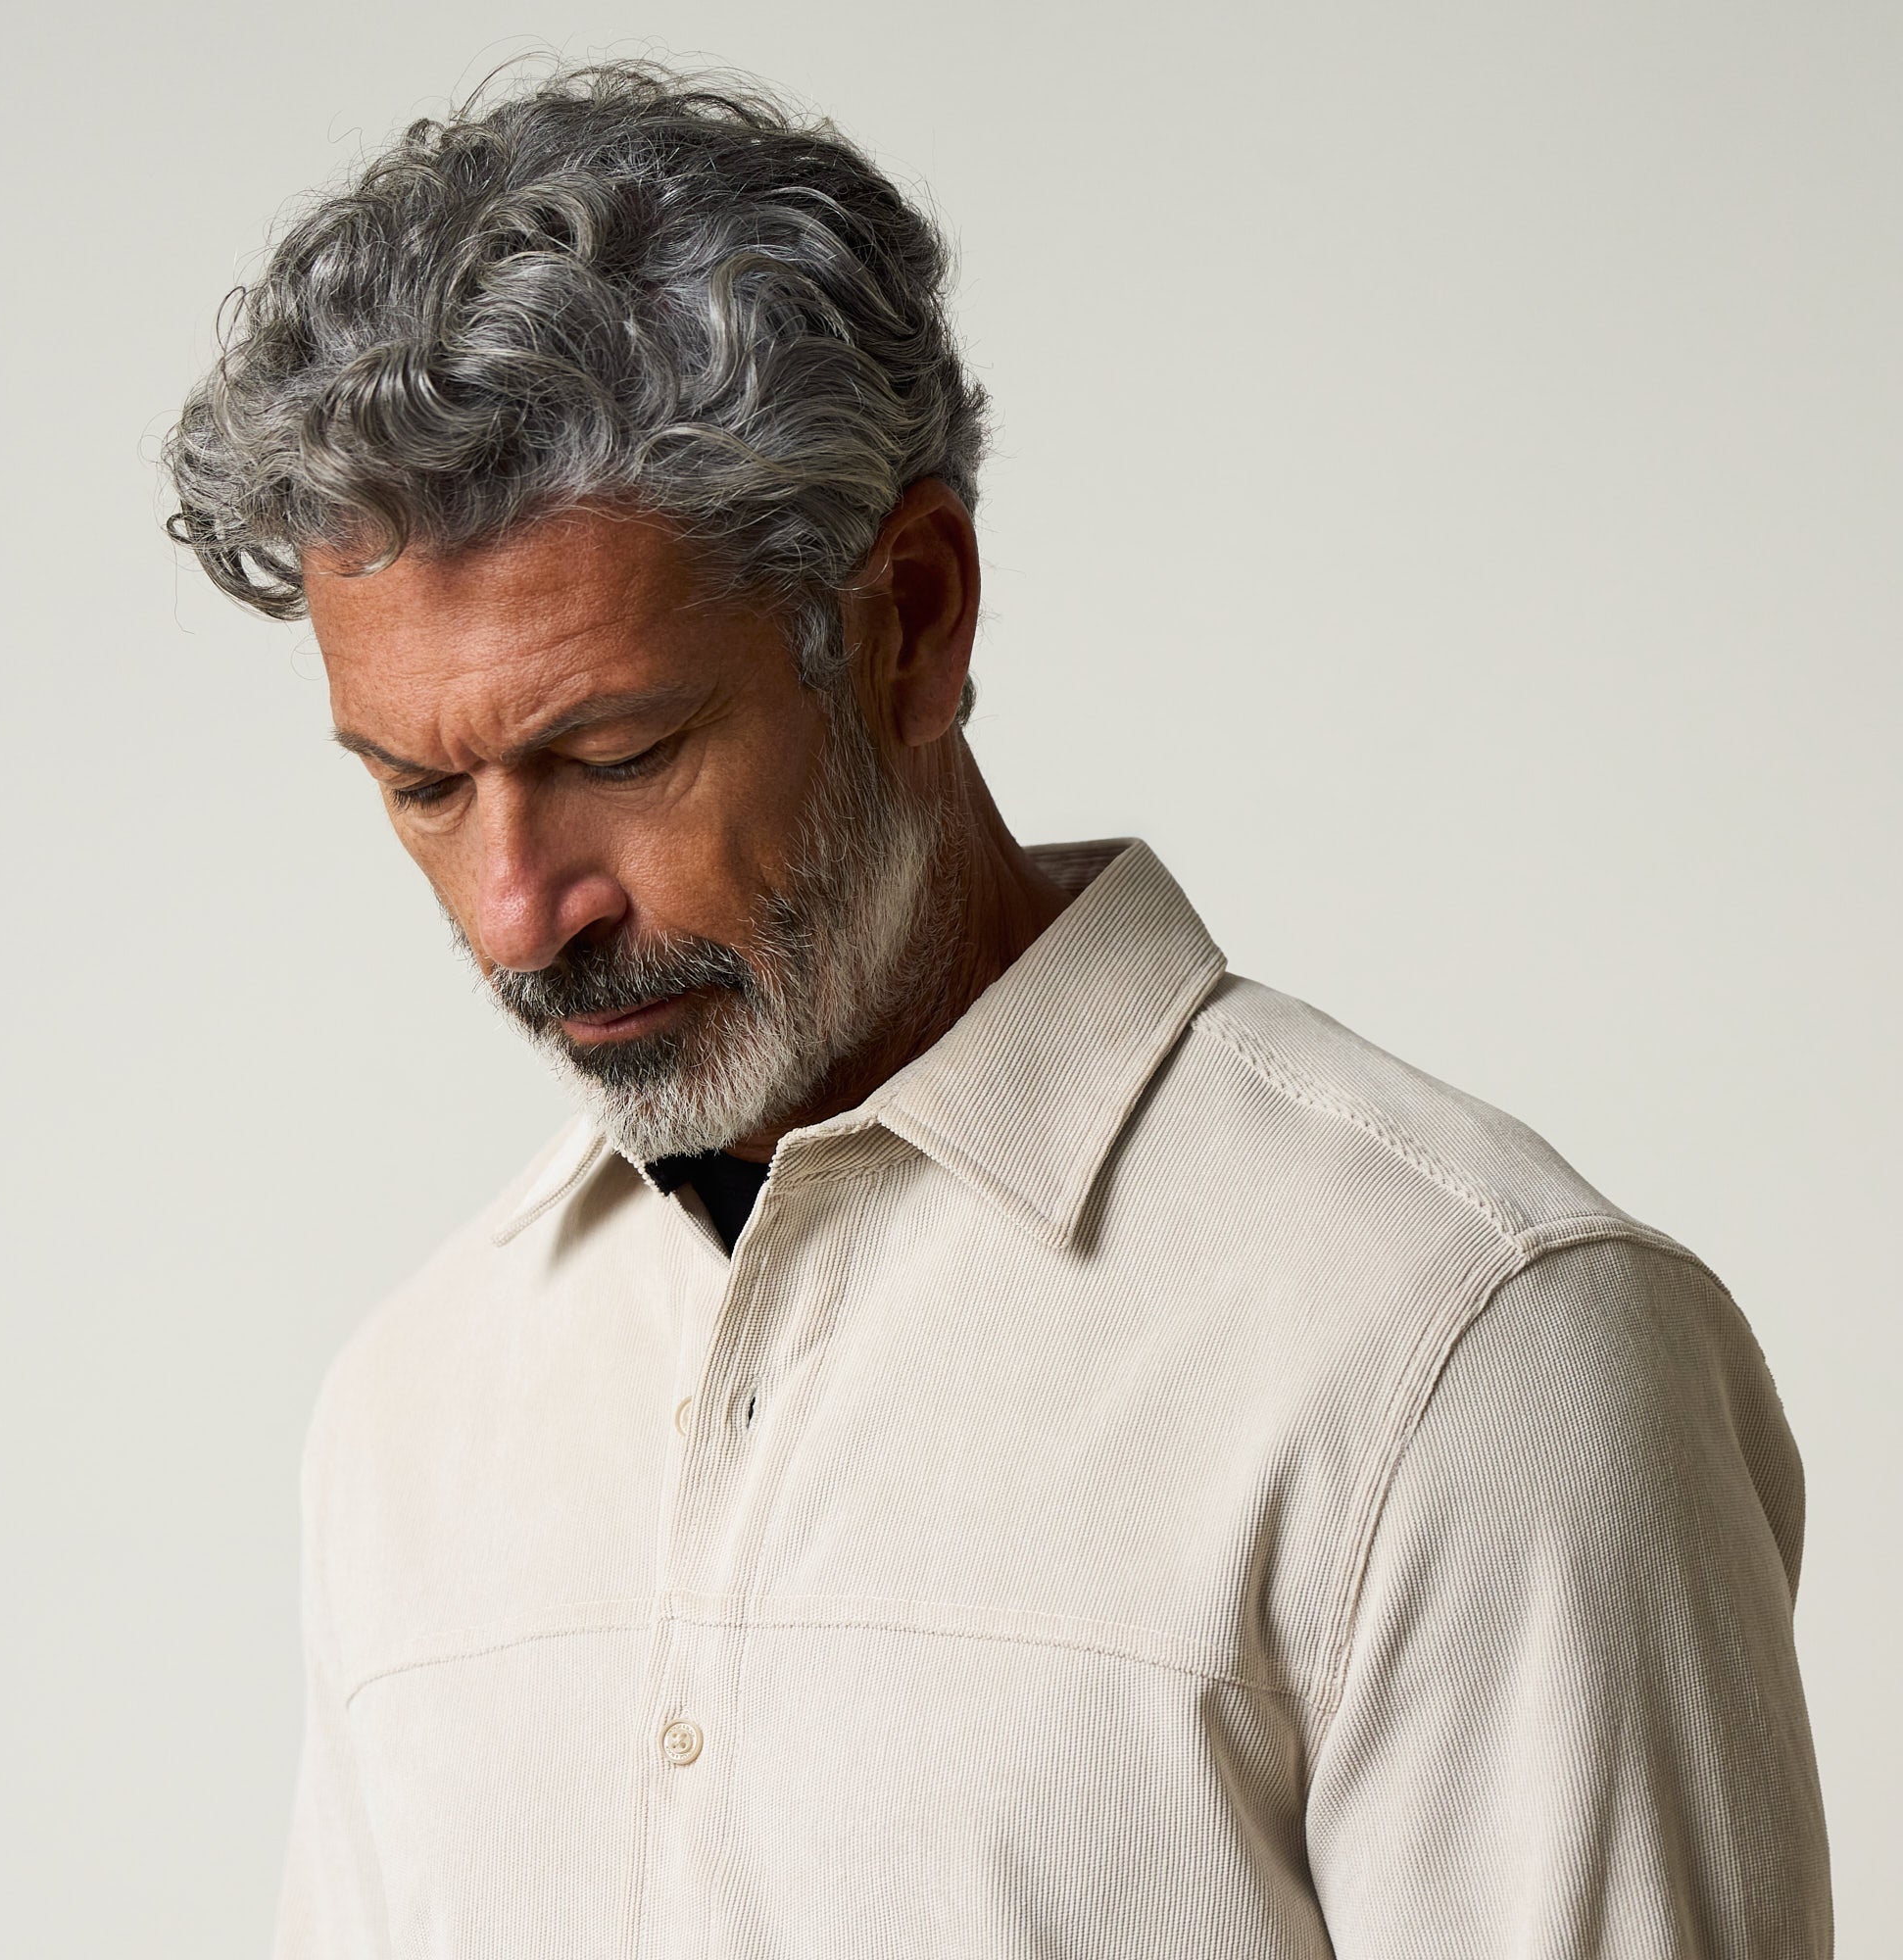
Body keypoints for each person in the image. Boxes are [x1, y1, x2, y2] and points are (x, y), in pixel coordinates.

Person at [163, 60, 1831, 1960]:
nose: (517, 911)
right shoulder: (417, 1403)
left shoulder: (1458, 1354)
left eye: (616, 749)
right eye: (420, 788)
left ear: (918, 615)